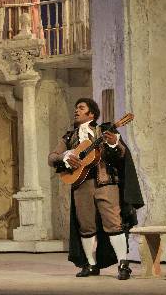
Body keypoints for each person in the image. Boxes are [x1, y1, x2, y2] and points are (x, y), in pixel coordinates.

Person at [48, 98, 144, 279]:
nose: (76, 110)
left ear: (91, 113)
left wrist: (114, 143)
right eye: (76, 108)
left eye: (81, 108)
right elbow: (52, 157)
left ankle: (123, 264)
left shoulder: (105, 130)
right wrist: (65, 157)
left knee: (113, 223)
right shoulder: (69, 137)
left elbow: (122, 153)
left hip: (106, 183)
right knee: (86, 226)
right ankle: (91, 265)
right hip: (81, 185)